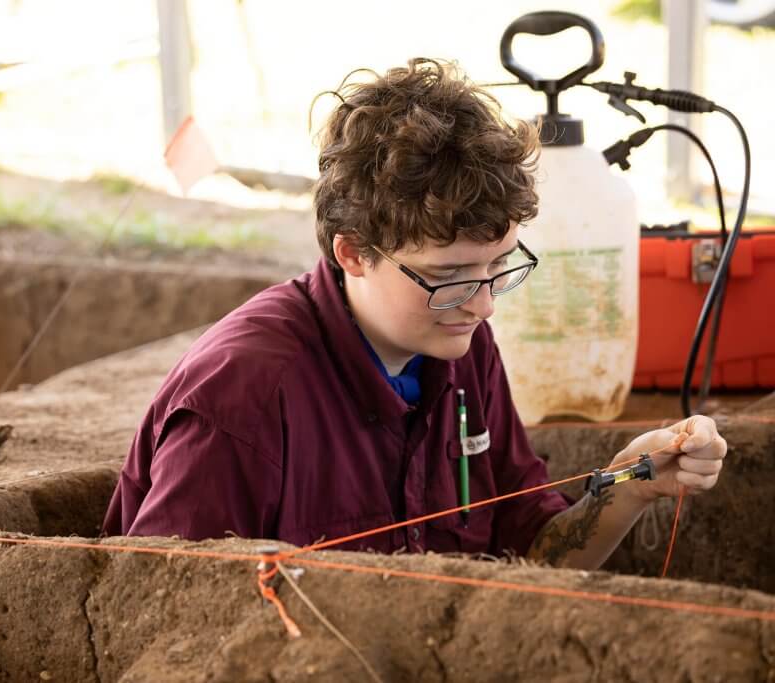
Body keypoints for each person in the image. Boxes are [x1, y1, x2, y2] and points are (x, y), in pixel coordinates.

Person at [102, 58, 727, 568]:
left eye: (499, 265)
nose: (482, 304)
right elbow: (165, 606)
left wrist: (629, 487)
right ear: (353, 253)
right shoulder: (243, 396)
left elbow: (532, 549)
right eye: (448, 276)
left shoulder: (458, 344)